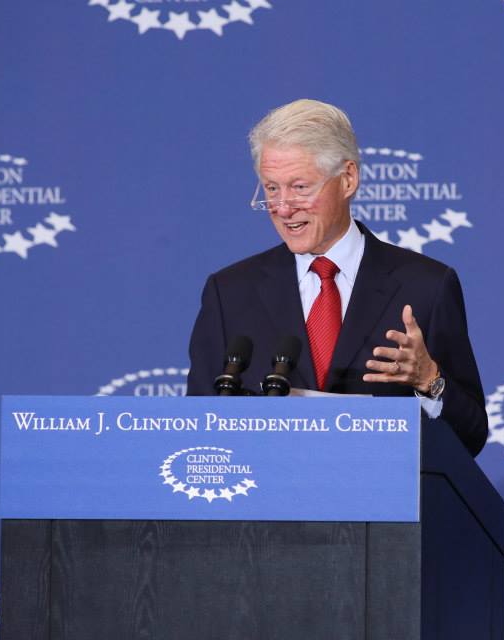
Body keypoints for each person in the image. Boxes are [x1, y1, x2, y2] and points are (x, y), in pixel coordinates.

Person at [187, 99, 488, 455]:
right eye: (271, 188)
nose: (283, 208)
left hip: (381, 506)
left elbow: (471, 436)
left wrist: (429, 381)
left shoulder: (426, 286)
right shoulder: (230, 293)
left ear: (348, 179)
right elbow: (198, 432)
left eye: (300, 187)